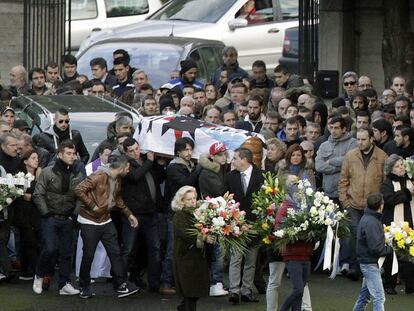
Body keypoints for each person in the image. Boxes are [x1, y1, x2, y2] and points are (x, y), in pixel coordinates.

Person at [74, 154, 139, 299]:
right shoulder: (98, 175)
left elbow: (117, 198)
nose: (129, 171)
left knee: (115, 252)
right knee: (88, 255)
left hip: (106, 220)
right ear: (121, 167)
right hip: (89, 221)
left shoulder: (117, 179)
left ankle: (120, 285)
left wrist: (129, 214)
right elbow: (79, 189)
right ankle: (84, 287)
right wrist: (93, 207)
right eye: (127, 168)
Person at [32, 140, 85, 295]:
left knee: (66, 252)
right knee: (50, 248)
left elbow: (80, 196)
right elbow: (38, 193)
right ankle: (39, 275)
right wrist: (46, 213)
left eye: (74, 153)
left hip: (67, 218)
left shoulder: (78, 173)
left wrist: (74, 214)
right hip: (50, 217)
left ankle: (64, 284)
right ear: (60, 154)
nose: (72, 156)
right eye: (68, 153)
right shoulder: (48, 172)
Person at [338, 127, 388, 281]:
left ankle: (373, 269)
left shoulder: (382, 156)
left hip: (373, 206)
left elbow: (385, 183)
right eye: (358, 139)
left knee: (374, 238)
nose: (360, 142)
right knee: (354, 236)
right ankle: (354, 268)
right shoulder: (350, 155)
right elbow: (343, 180)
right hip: (353, 204)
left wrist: (381, 205)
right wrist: (345, 202)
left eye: (363, 139)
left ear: (371, 139)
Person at [121, 138, 164, 292]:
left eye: (137, 149)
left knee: (155, 248)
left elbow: (160, 178)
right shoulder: (125, 165)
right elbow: (135, 176)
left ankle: (154, 283)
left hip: (150, 212)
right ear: (126, 152)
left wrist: (158, 163)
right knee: (129, 248)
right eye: (131, 151)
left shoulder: (147, 162)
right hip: (134, 214)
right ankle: (122, 282)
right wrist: (150, 162)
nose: (136, 153)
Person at [225, 147, 264, 304]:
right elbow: (226, 198)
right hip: (236, 223)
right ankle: (234, 291)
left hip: (255, 224)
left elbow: (267, 199)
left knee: (251, 259)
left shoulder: (261, 176)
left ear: (245, 159)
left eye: (235, 158)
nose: (232, 161)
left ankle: (246, 290)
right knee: (235, 258)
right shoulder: (230, 177)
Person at [161, 137, 199, 294]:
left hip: (188, 212)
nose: (189, 153)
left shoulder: (190, 165)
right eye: (186, 150)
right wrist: (198, 170)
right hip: (174, 213)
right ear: (178, 151)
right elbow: (186, 183)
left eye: (191, 149)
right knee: (172, 248)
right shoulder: (174, 167)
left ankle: (180, 281)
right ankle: (166, 282)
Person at [172, 186, 214, 311]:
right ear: (182, 201)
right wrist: (204, 238)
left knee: (193, 292)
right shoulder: (180, 215)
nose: (193, 201)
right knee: (190, 291)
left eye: (194, 198)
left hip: (196, 257)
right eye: (189, 199)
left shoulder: (197, 213)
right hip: (185, 257)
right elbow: (186, 233)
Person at [274, 180, 314, 311]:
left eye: (301, 192)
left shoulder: (307, 208)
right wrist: (298, 234)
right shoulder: (285, 208)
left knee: (300, 290)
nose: (299, 195)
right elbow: (279, 230)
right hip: (292, 254)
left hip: (306, 254)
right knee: (298, 289)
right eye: (296, 192)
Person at [197, 142, 229, 296]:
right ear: (212, 157)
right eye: (220, 155)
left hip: (217, 213)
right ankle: (215, 282)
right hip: (212, 214)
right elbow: (221, 191)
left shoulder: (218, 170)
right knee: (217, 250)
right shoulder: (208, 172)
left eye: (224, 154)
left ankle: (215, 282)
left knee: (217, 250)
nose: (224, 157)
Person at [380, 155, 414, 295]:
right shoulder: (387, 183)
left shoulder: (410, 180)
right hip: (392, 222)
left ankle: (411, 285)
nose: (401, 168)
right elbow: (388, 200)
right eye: (398, 166)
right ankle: (389, 284)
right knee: (391, 254)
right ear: (391, 169)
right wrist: (406, 192)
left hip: (409, 220)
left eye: (402, 165)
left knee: (410, 252)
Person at [352, 192, 392, 311]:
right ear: (381, 206)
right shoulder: (372, 222)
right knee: (379, 297)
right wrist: (389, 249)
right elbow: (376, 248)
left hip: (368, 262)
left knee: (364, 296)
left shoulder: (368, 219)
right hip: (370, 263)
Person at [13, 150, 41, 280]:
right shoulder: (20, 176)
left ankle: (27, 270)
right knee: (29, 242)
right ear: (25, 161)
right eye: (33, 158)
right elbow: (18, 194)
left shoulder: (40, 174)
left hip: (36, 213)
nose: (36, 160)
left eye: (37, 158)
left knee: (32, 242)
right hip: (24, 214)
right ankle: (34, 271)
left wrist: (31, 196)